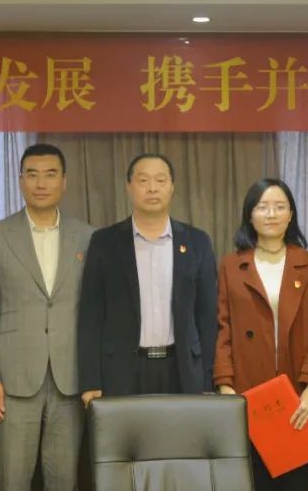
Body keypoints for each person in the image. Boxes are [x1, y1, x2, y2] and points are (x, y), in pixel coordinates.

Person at [0, 143, 94, 491]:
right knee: (13, 483)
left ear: (64, 181)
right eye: (32, 174)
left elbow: (95, 313)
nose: (41, 183)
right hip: (12, 381)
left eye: (50, 174)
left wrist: (94, 377)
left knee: (65, 483)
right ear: (20, 181)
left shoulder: (88, 237)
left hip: (70, 377)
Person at [213, 178, 308, 491]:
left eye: (280, 207)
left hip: (299, 392)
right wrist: (225, 385)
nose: (271, 214)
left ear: (291, 215)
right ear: (249, 214)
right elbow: (223, 327)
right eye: (262, 207)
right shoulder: (231, 265)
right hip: (249, 391)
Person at [78, 153, 217, 401]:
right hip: (121, 372)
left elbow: (207, 316)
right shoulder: (105, 242)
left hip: (182, 369)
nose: (152, 188)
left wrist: (208, 380)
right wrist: (91, 381)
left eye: (160, 180)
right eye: (143, 180)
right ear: (129, 186)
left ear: (172, 187)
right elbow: (91, 314)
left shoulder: (197, 242)